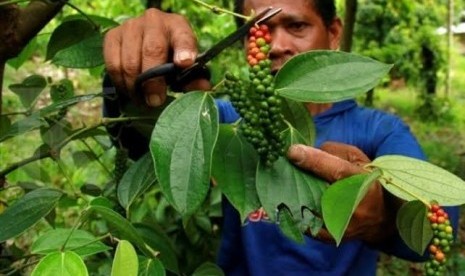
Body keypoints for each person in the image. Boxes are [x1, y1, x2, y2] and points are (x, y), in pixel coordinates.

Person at [102, 0, 460, 275]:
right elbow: (144, 139)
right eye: (257, 30)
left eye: (296, 25)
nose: (274, 45)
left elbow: (437, 231)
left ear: (334, 32)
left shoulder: (377, 131)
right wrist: (132, 79)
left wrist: (383, 220)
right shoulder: (225, 118)